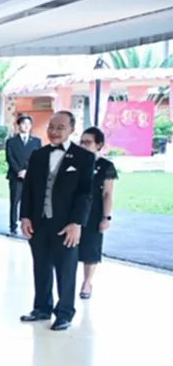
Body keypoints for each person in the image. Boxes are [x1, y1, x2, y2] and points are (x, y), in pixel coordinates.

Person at [19, 110, 95, 331]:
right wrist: (25, 216)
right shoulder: (38, 155)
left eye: (60, 128)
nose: (54, 132)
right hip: (39, 221)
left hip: (66, 223)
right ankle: (42, 307)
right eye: (51, 127)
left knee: (66, 269)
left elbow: (85, 194)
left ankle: (64, 313)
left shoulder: (84, 157)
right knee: (41, 266)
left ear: (72, 129)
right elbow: (28, 189)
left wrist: (76, 223)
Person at [77, 126, 118, 299]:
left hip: (94, 211)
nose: (83, 146)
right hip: (74, 210)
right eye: (81, 142)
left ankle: (87, 282)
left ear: (99, 145)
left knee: (91, 247)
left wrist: (105, 217)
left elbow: (107, 194)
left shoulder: (106, 166)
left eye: (88, 142)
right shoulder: (74, 163)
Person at [5, 114, 41, 235]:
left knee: (31, 201)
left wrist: (28, 171)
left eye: (29, 124)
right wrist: (19, 171)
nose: (26, 126)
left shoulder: (36, 141)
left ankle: (30, 225)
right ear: (18, 125)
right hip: (16, 176)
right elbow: (9, 157)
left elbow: (38, 158)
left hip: (31, 176)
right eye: (24, 123)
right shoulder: (11, 141)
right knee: (14, 202)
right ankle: (13, 226)